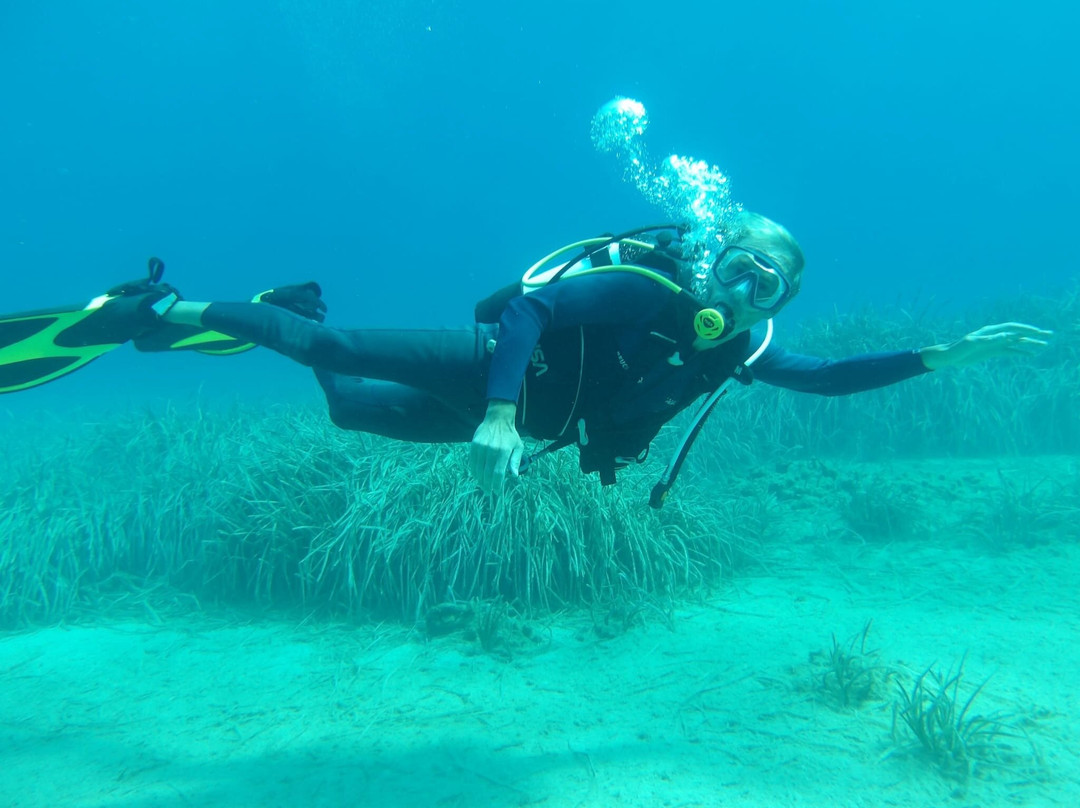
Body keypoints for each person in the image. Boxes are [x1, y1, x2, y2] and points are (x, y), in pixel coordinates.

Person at [0, 212, 1051, 501]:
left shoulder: (750, 346)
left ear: (779, 300)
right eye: (734, 267)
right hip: (494, 375)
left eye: (764, 286)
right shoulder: (647, 284)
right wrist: (498, 414)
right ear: (709, 253)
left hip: (524, 429)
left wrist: (941, 356)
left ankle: (275, 309)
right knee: (331, 343)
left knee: (345, 407)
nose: (739, 294)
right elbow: (537, 311)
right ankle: (164, 302)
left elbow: (824, 381)